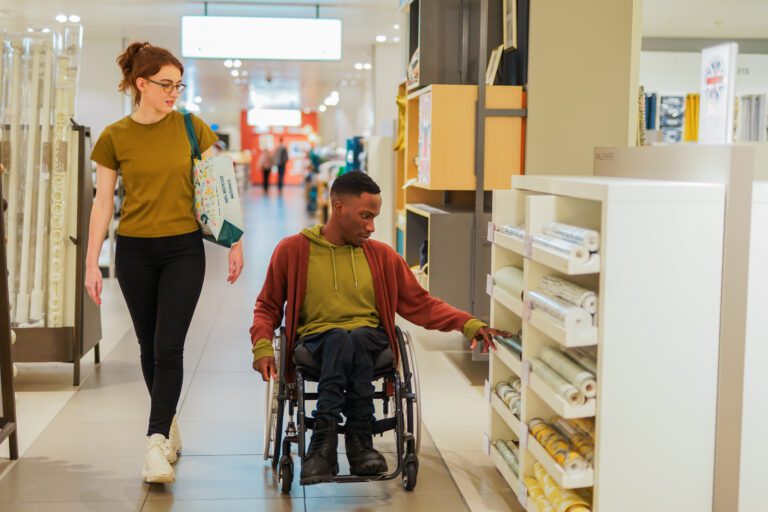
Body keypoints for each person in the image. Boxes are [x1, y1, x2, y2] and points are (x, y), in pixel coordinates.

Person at [249, 171, 507, 485]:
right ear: (339, 208)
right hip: (315, 341)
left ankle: (323, 444)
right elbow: (268, 306)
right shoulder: (293, 250)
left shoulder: (383, 257)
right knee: (339, 339)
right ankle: (360, 442)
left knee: (353, 338)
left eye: (375, 217)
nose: (372, 226)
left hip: (368, 341)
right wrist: (263, 346)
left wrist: (466, 323)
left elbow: (421, 303)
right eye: (365, 216)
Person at [84, 41, 245, 484]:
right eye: (166, 84)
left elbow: (221, 186)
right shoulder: (114, 136)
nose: (174, 92)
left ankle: (155, 443)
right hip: (134, 252)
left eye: (178, 84)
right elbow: (102, 205)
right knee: (147, 346)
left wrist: (235, 240)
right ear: (141, 84)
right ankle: (167, 418)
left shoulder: (192, 128)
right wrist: (91, 262)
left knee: (169, 346)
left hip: (183, 250)